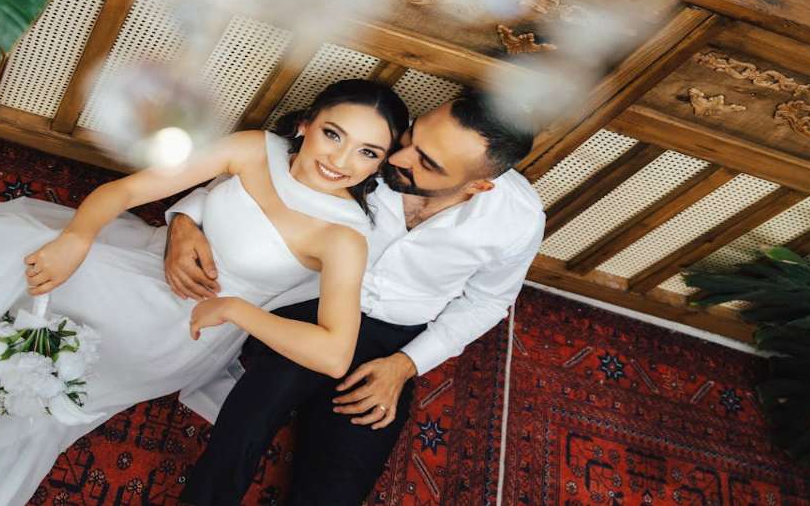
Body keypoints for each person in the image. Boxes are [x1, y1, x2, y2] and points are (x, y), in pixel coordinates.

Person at [0, 79, 409, 506]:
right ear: (305, 125)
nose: (340, 161)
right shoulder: (249, 149)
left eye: (367, 155)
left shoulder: (344, 236)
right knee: (21, 245)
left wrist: (237, 308)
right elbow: (128, 192)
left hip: (175, 330)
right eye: (334, 135)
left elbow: (330, 353)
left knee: (7, 260)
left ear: (379, 166)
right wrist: (81, 238)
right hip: (142, 261)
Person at [172, 91, 545, 506]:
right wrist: (188, 218)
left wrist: (405, 366)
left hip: (392, 342)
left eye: (428, 164)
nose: (400, 160)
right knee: (240, 433)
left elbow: (487, 302)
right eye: (412, 140)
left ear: (478, 185)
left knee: (338, 487)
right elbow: (265, 168)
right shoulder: (367, 151)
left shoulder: (518, 220)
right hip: (309, 307)